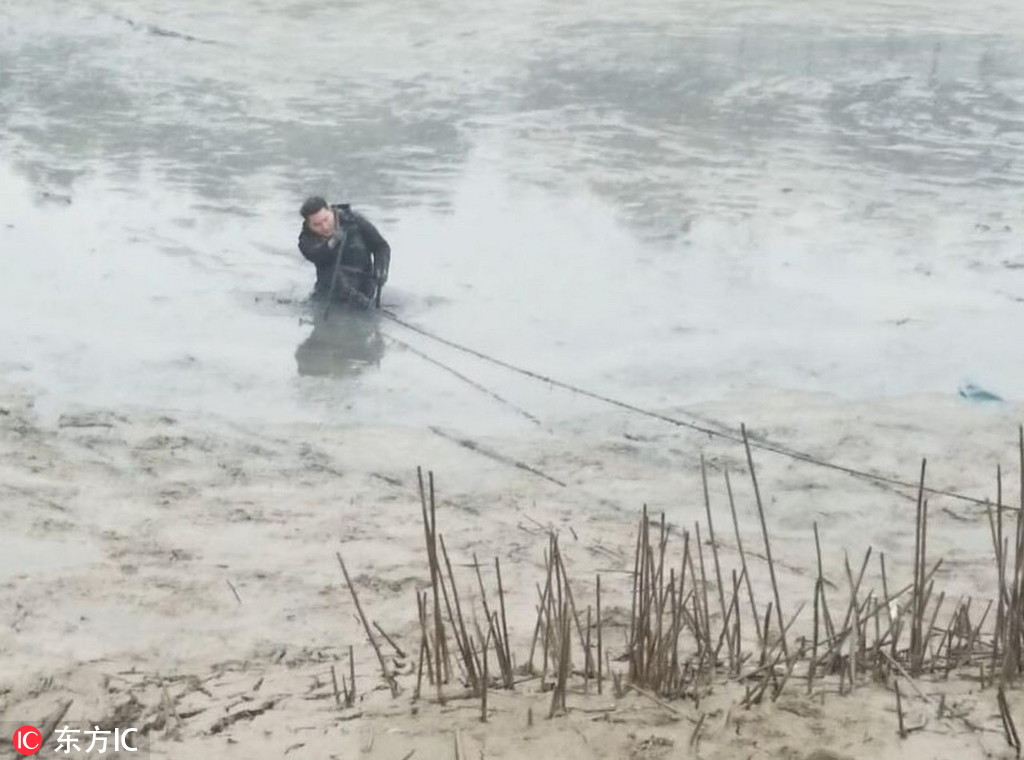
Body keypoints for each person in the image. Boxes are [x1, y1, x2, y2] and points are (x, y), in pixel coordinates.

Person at [298, 196, 391, 303]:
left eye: (326, 219)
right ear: (309, 225)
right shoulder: (306, 240)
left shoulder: (354, 221)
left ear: (330, 211)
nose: (324, 227)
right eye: (317, 225)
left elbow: (381, 246)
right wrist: (332, 242)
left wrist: (381, 269)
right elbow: (316, 255)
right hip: (332, 292)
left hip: (365, 284)